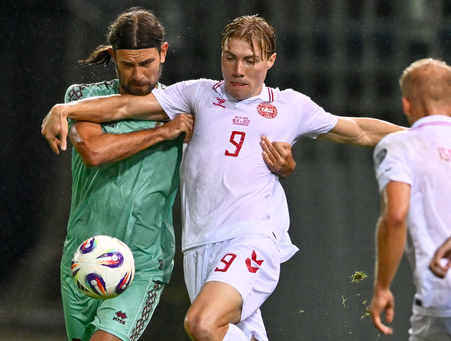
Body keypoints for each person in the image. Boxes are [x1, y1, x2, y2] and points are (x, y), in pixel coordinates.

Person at [42, 15, 404, 341]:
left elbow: (357, 130)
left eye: (250, 60)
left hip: (250, 239)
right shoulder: (196, 94)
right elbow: (123, 106)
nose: (238, 69)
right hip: (199, 247)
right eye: (230, 57)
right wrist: (65, 108)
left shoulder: (290, 106)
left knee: (201, 323)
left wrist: (422, 136)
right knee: (216, 332)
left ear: (270, 61)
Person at [54, 9, 294, 341]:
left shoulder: (184, 106)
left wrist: (284, 166)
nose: (139, 75)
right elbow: (95, 152)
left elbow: (243, 145)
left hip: (143, 263)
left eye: (147, 64)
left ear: (163, 53)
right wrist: (163, 133)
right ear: (112, 57)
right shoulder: (84, 99)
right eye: (128, 65)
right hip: (84, 256)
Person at [368, 58, 451, 339]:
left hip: (440, 300)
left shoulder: (399, 146)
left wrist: (381, 287)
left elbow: (396, 215)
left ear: (406, 104)